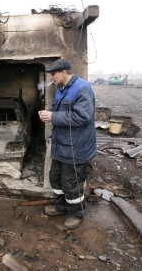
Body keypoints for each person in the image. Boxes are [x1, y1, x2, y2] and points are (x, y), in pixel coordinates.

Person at [38, 58, 97, 229]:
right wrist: (50, 113)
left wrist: (53, 117)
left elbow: (83, 116)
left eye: (53, 74)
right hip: (61, 145)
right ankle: (61, 207)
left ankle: (76, 214)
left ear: (64, 72)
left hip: (76, 147)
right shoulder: (60, 89)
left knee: (71, 183)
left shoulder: (82, 88)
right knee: (55, 178)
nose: (51, 78)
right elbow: (63, 111)